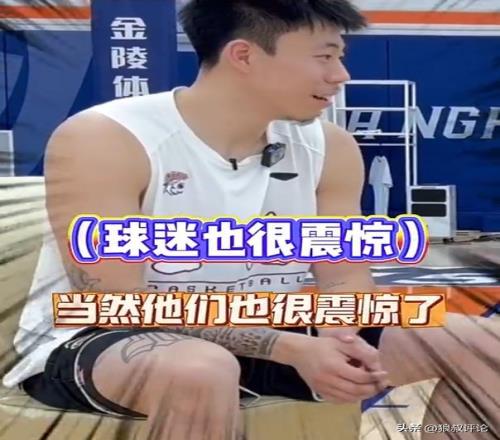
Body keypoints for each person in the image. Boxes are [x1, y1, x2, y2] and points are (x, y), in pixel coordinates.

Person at [2, 1, 499, 439]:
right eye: (324, 57)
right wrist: (285, 347)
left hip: (273, 329)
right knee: (200, 369)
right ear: (244, 55)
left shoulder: (331, 146)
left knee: (480, 342)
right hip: (104, 338)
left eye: (340, 57)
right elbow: (117, 303)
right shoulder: (107, 137)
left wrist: (339, 335)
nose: (341, 75)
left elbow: (345, 275)